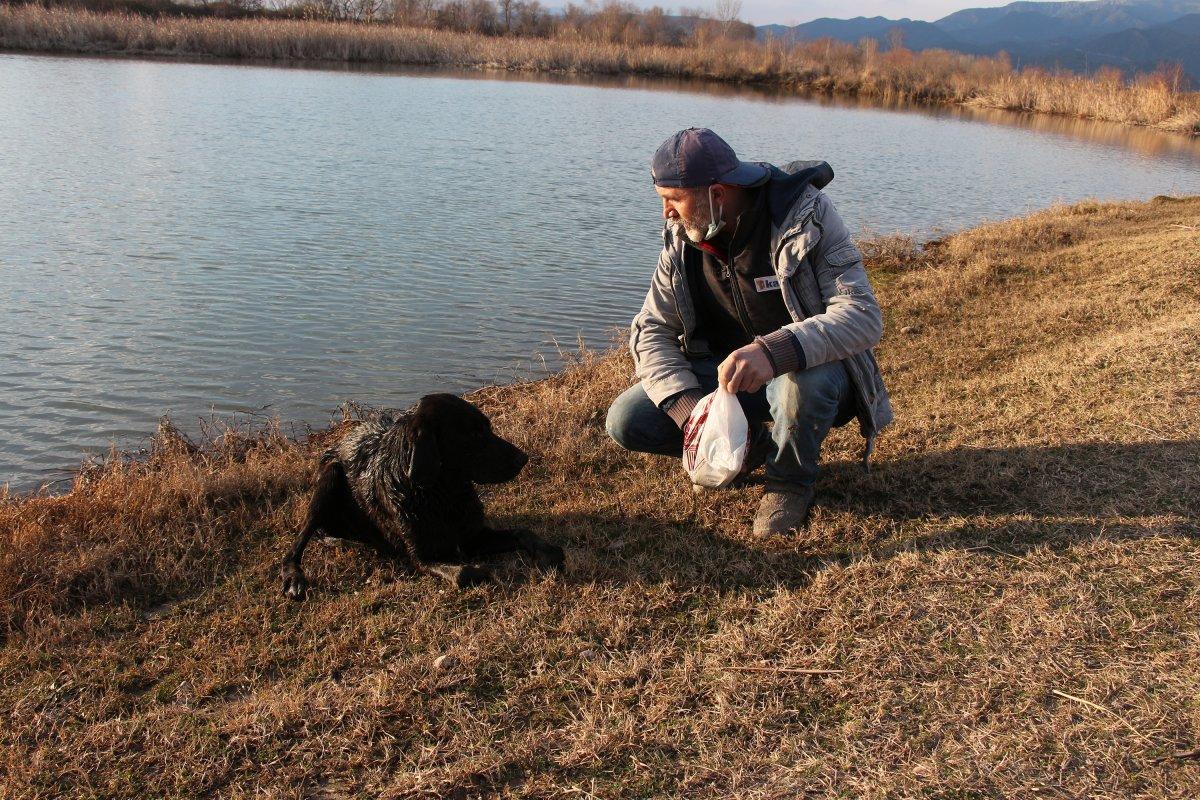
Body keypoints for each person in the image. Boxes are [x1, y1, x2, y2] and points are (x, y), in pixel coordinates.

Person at [606, 128, 892, 537]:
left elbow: (862, 315)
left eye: (674, 201)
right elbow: (652, 329)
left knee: (799, 381)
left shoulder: (806, 215)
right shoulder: (684, 235)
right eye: (663, 200)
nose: (666, 213)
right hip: (726, 379)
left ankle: (789, 483)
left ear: (717, 194)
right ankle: (751, 448)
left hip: (809, 374)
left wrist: (774, 352)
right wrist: (693, 415)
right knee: (627, 420)